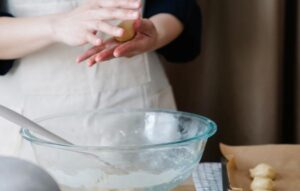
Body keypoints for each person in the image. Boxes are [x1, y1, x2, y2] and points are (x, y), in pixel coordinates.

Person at [0, 0, 202, 158]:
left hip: (140, 118)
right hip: (34, 125)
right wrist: (57, 25)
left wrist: (156, 33)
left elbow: (177, 6)